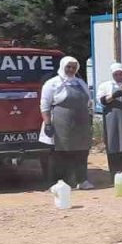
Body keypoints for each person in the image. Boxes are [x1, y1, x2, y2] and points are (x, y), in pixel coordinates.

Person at [39, 55, 95, 190]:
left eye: (74, 67)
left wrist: (90, 119)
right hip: (60, 124)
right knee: (61, 154)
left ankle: (82, 180)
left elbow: (89, 103)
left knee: (81, 152)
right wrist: (47, 123)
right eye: (68, 67)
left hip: (80, 123)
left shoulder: (80, 83)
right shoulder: (52, 83)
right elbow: (45, 105)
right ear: (63, 67)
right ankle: (58, 183)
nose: (71, 70)